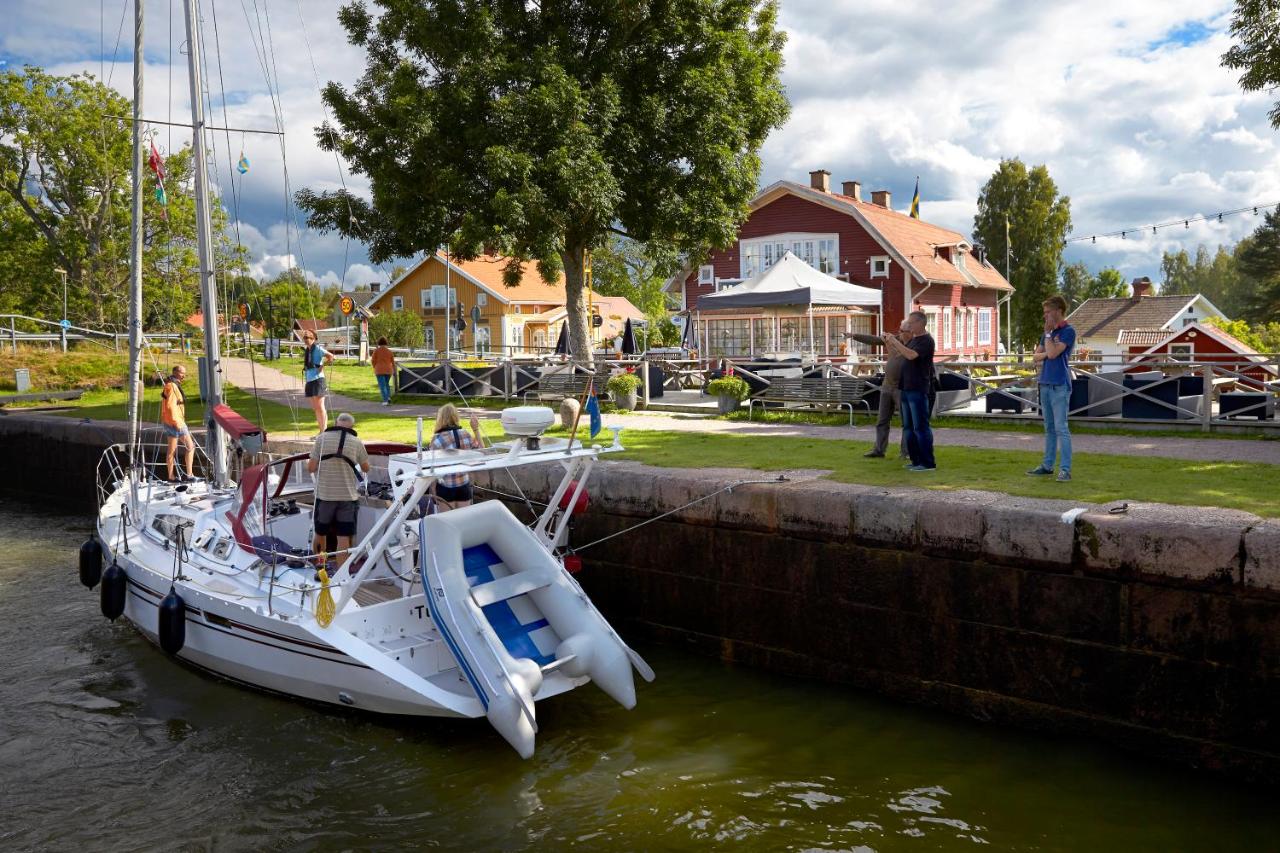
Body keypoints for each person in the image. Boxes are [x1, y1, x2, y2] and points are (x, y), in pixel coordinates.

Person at [307, 412, 370, 569]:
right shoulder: (356, 442)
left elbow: (311, 468)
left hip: (325, 495)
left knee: (321, 533)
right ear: (352, 427)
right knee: (343, 537)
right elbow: (366, 468)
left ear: (336, 423)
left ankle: (321, 567)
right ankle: (341, 573)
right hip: (348, 497)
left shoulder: (321, 438)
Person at [1029, 294, 1075, 482]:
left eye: (1048, 312)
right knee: (1049, 428)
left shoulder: (1068, 331)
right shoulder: (1047, 334)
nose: (1045, 316)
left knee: (1061, 428)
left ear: (1058, 312)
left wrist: (1048, 341)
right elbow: (1035, 356)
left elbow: (1054, 354)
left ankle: (1065, 470)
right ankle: (1047, 466)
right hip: (1045, 384)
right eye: (1044, 313)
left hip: (1060, 385)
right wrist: (1048, 349)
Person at [883, 310, 936, 471]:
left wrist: (895, 340)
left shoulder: (926, 341)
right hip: (905, 388)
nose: (909, 326)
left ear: (921, 323)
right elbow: (899, 354)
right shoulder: (914, 340)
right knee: (908, 427)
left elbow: (911, 355)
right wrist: (889, 342)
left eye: (912, 323)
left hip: (917, 389)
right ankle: (915, 460)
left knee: (920, 427)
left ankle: (927, 462)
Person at [863, 321, 912, 460]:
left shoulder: (914, 345)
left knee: (907, 422)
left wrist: (891, 342)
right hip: (887, 386)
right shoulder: (895, 339)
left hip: (902, 388)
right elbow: (874, 339)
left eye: (902, 331)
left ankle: (906, 452)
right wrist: (853, 335)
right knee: (882, 420)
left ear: (910, 332)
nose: (899, 333)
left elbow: (903, 357)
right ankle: (879, 450)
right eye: (899, 330)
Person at [430, 403, 484, 509]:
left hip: (445, 486)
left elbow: (432, 468)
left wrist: (433, 489)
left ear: (440, 418)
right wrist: (475, 429)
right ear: (455, 417)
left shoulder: (437, 440)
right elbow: (482, 450)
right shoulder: (465, 434)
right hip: (463, 485)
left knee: (448, 522)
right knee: (463, 521)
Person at [160, 365, 196, 482]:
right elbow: (170, 406)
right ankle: (189, 475)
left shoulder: (171, 385)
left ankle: (171, 477)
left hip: (169, 422)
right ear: (175, 372)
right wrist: (176, 422)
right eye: (181, 373)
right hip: (176, 422)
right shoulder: (172, 386)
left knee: (171, 451)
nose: (184, 375)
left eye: (184, 373)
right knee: (190, 447)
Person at [301, 329, 334, 431]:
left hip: (318, 379)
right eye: (304, 338)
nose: (306, 340)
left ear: (313, 339)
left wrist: (322, 366)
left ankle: (324, 431)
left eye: (308, 338)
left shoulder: (318, 348)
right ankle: (321, 431)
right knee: (315, 408)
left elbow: (331, 356)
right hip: (309, 379)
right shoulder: (307, 350)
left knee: (320, 407)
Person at [371, 336, 397, 405]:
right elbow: (393, 362)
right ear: (386, 342)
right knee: (387, 385)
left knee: (382, 386)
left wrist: (375, 367)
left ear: (379, 343)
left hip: (379, 370)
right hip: (388, 370)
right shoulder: (389, 351)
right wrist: (394, 370)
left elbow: (373, 360)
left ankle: (385, 400)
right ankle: (388, 397)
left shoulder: (376, 351)